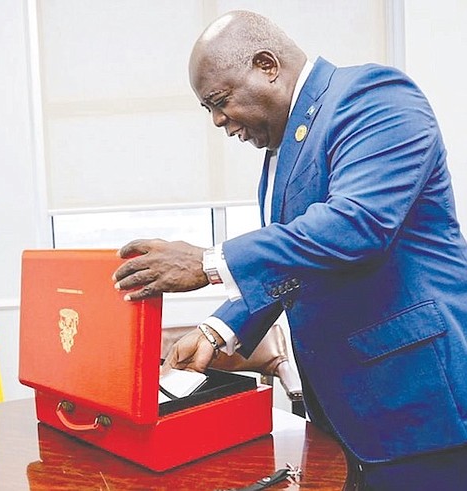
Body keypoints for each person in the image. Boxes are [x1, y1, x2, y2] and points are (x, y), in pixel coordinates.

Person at [112, 10, 467, 490]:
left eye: (219, 101)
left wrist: (206, 263)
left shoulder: (374, 98)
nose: (217, 120)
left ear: (266, 64)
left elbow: (356, 225)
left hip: (417, 407)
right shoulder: (281, 149)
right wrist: (220, 329)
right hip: (344, 411)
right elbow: (300, 266)